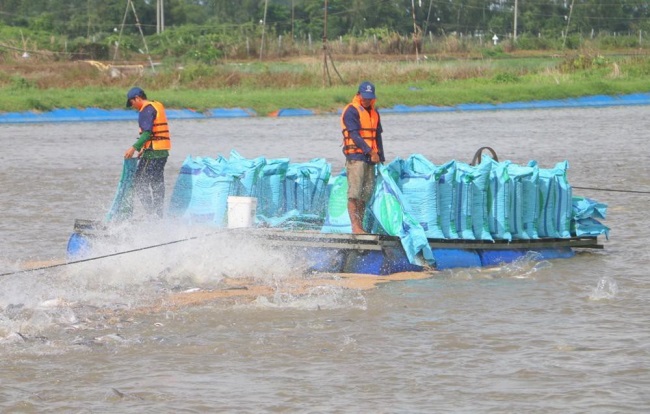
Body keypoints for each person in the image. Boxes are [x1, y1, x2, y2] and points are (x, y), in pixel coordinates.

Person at [340, 81, 385, 234]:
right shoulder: (351, 111)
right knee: (355, 193)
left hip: (370, 159)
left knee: (365, 195)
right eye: (364, 97)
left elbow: (377, 136)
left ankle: (361, 226)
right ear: (359, 95)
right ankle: (355, 227)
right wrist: (370, 152)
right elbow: (354, 135)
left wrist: (380, 156)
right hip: (356, 158)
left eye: (370, 98)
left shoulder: (374, 112)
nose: (367, 100)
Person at [123, 87, 171, 219]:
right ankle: (159, 214)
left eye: (132, 103)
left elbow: (147, 132)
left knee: (138, 183)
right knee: (156, 182)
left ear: (137, 98)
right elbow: (153, 132)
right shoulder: (156, 105)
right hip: (162, 152)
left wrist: (133, 148)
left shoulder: (145, 110)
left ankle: (151, 214)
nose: (133, 106)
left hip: (153, 153)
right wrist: (144, 147)